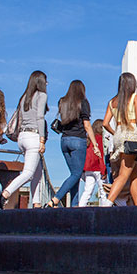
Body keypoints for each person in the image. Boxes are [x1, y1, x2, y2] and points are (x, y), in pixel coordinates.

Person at [101, 72, 137, 207]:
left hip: (118, 134)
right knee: (124, 174)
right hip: (131, 134)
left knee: (134, 175)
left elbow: (105, 123)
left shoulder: (112, 101)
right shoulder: (135, 98)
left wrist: (115, 133)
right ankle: (108, 203)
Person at [47, 80, 100, 208]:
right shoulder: (83, 102)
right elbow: (87, 125)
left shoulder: (62, 102)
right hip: (78, 141)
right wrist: (95, 144)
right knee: (77, 173)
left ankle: (74, 206)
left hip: (64, 140)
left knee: (74, 174)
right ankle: (55, 199)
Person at [2, 70, 48, 208]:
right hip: (33, 136)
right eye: (45, 80)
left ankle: (37, 203)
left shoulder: (24, 98)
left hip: (22, 137)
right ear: (40, 81)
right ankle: (4, 195)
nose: (47, 83)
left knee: (38, 172)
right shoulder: (42, 95)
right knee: (28, 173)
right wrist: (42, 139)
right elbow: (40, 117)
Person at [79, 119, 106, 207]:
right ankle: (105, 209)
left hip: (88, 168)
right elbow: (101, 155)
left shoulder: (88, 140)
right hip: (98, 168)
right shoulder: (100, 139)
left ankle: (80, 207)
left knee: (87, 191)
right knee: (103, 191)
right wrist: (104, 170)